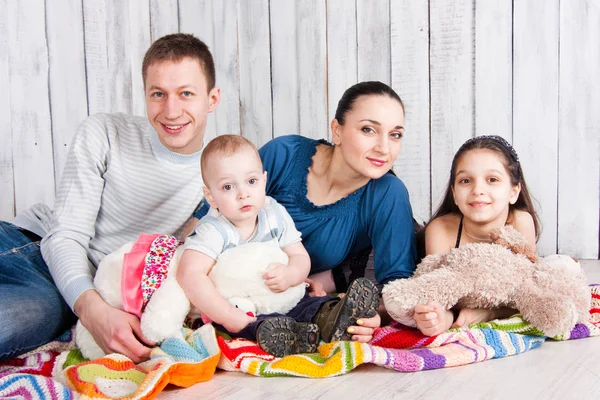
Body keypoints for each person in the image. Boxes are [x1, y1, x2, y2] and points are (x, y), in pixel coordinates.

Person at [0, 33, 220, 362]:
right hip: (32, 243)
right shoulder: (104, 132)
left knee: (18, 320)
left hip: (70, 289)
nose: (171, 110)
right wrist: (96, 314)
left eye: (186, 94)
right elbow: (65, 236)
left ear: (212, 99)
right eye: (158, 94)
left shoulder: (217, 178)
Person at [192, 81, 419, 343]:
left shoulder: (388, 193)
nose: (384, 148)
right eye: (368, 129)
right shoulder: (284, 154)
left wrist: (375, 316)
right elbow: (206, 219)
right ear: (337, 130)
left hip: (297, 291)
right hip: (225, 281)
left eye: (395, 135)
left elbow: (398, 284)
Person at [178, 134, 380, 357]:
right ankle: (288, 336)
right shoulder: (213, 230)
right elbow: (190, 275)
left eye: (251, 181)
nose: (243, 193)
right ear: (211, 197)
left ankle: (331, 316)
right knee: (252, 322)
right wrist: (226, 314)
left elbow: (299, 255)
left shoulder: (273, 212)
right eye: (227, 187)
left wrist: (292, 274)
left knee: (309, 302)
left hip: (280, 294)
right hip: (241, 306)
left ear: (264, 181)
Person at [413, 135, 540, 336]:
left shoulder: (520, 222)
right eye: (465, 181)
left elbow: (527, 293)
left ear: (514, 192)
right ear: (454, 193)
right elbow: (437, 292)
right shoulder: (440, 230)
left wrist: (488, 313)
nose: (478, 190)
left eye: (492, 180)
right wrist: (442, 317)